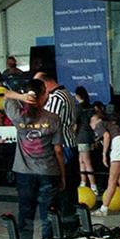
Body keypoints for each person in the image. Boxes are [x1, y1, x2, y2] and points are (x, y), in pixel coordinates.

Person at [4, 79, 65, 239]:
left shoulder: (18, 116)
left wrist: (21, 96)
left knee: (25, 213)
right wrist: (62, 175)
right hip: (48, 171)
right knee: (49, 214)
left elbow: (5, 94)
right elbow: (58, 150)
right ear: (43, 95)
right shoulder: (53, 118)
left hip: (24, 173)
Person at [35, 69, 78, 226]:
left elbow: (48, 124)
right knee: (68, 188)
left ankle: (63, 223)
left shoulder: (56, 98)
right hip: (69, 143)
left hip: (62, 146)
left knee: (62, 187)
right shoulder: (67, 94)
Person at [73, 86, 98, 191]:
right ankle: (83, 182)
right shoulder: (91, 107)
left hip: (82, 137)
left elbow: (74, 124)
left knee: (86, 161)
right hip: (90, 136)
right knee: (81, 160)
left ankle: (93, 185)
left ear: (78, 96)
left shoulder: (78, 108)